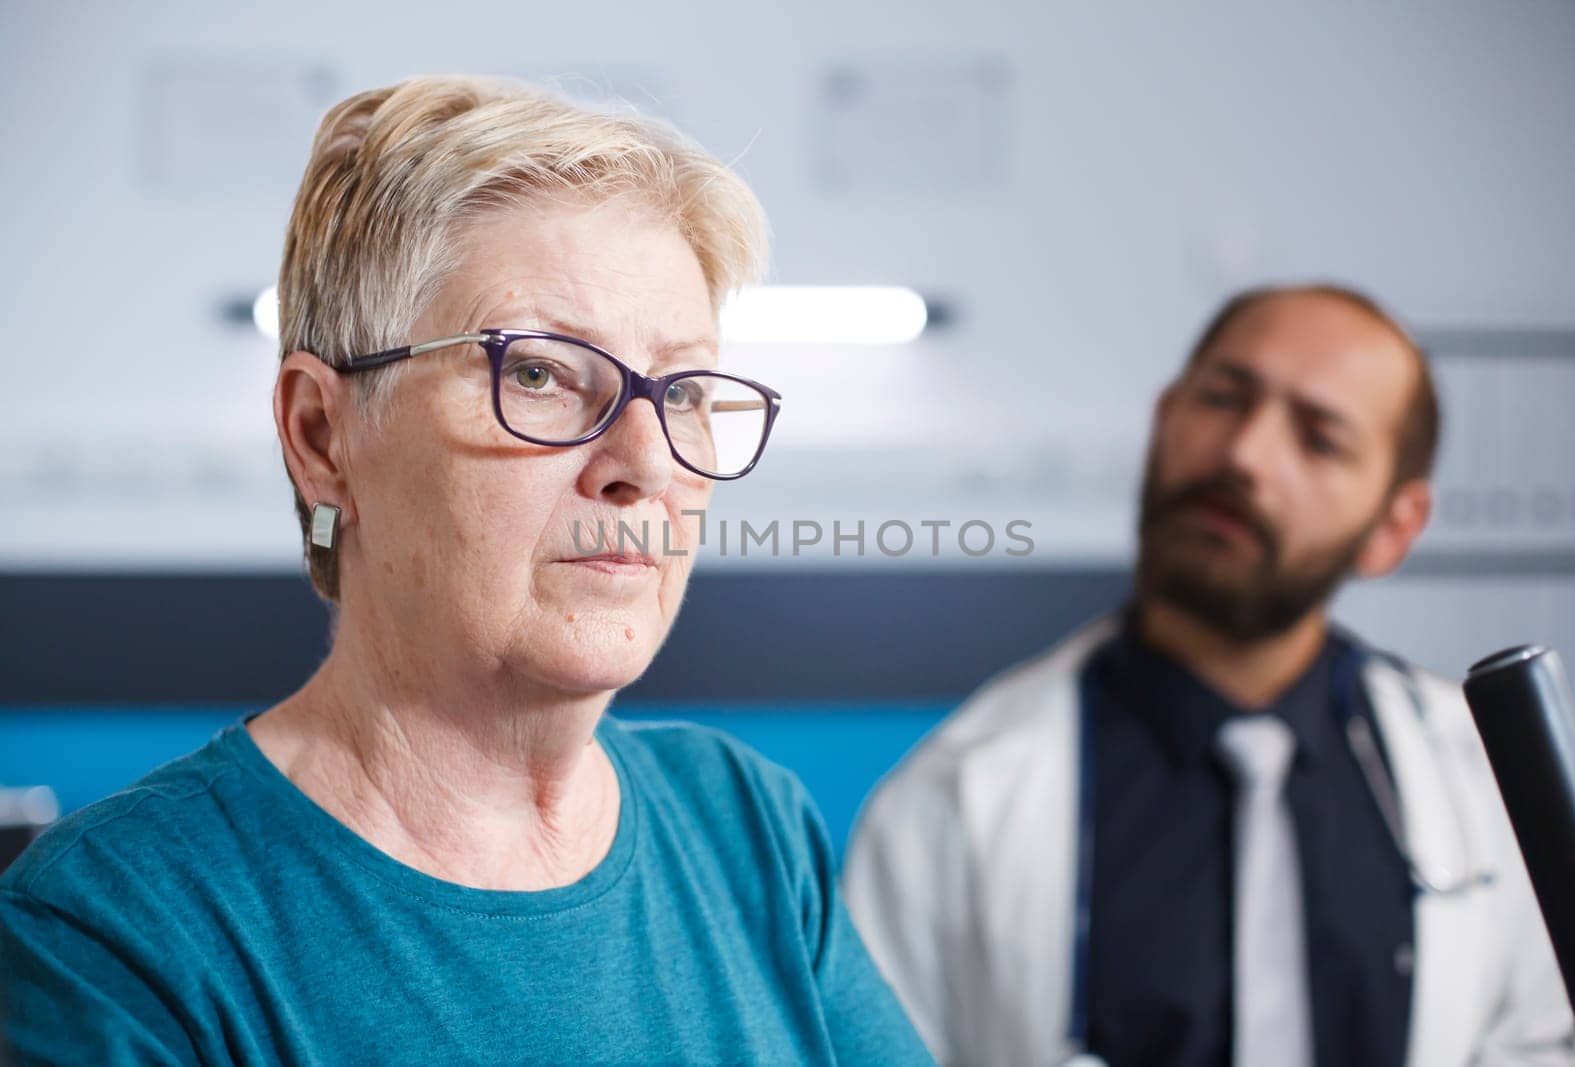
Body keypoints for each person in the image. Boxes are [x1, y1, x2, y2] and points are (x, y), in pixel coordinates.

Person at [0, 75, 930, 1066]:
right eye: (537, 371)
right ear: (323, 435)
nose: (647, 464)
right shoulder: (112, 937)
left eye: (686, 390)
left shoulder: (744, 829)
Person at [843, 285, 1575, 1067]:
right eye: (1224, 399)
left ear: (1393, 528)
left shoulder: (1495, 785)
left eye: (1319, 439)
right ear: (1166, 418)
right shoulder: (955, 794)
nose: (1244, 454)